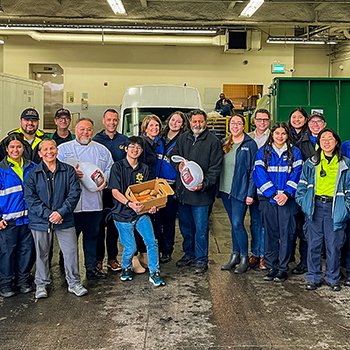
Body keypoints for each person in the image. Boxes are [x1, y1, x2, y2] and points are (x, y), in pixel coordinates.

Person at [24, 140, 87, 298]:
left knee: (71, 251)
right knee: (42, 253)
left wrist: (60, 213)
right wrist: (48, 214)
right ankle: (41, 285)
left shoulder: (68, 171)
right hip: (40, 220)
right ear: (39, 153)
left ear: (57, 150)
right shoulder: (33, 174)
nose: (49, 151)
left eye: (52, 148)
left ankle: (74, 283)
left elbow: (74, 194)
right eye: (45, 149)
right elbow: (31, 199)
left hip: (64, 219)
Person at [57, 118, 113, 280]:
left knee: (92, 238)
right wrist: (70, 173)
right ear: (75, 130)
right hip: (70, 206)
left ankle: (91, 268)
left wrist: (105, 179)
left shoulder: (102, 150)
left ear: (93, 131)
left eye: (88, 130)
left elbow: (110, 169)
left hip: (94, 203)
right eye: (81, 129)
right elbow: (54, 171)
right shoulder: (62, 149)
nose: (85, 133)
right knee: (69, 240)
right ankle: (65, 267)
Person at [296, 129, 350, 292]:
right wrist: (304, 203)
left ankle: (333, 278)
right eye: (323, 139)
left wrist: (346, 208)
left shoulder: (345, 163)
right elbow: (302, 186)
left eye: (330, 138)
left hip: (336, 208)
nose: (326, 142)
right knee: (313, 244)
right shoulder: (311, 162)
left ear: (336, 142)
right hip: (315, 207)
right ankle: (313, 277)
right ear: (318, 143)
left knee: (334, 245)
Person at [108, 136, 166, 287]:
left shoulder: (144, 169)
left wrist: (153, 206)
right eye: (132, 147)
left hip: (141, 213)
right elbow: (115, 192)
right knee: (131, 247)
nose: (135, 150)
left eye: (138, 148)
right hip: (122, 214)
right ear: (126, 149)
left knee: (152, 242)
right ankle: (126, 268)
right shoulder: (118, 167)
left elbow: (149, 192)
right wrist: (129, 203)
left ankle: (155, 272)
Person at [171, 109, 223, 274]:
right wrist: (177, 165)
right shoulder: (183, 137)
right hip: (184, 194)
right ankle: (189, 254)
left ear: (205, 122)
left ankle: (201, 259)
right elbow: (173, 155)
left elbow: (216, 168)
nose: (197, 125)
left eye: (200, 121)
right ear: (190, 122)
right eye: (194, 121)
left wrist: (204, 184)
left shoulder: (213, 141)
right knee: (186, 227)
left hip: (202, 195)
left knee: (201, 228)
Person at [253, 122, 303, 282]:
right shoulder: (263, 152)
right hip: (269, 199)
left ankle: (282, 268)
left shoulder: (295, 152)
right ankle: (271, 266)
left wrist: (287, 194)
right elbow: (259, 175)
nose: (280, 136)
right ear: (272, 135)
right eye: (277, 133)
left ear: (288, 135)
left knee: (286, 234)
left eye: (283, 133)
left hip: (287, 200)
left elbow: (298, 174)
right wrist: (273, 194)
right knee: (270, 233)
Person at [220, 115, 257, 274]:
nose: (235, 125)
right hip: (225, 190)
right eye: (233, 123)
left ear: (244, 126)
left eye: (239, 123)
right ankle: (235, 256)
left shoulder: (250, 144)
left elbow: (253, 171)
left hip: (240, 191)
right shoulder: (224, 143)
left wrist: (250, 193)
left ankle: (244, 258)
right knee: (233, 224)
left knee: (237, 224)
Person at [0, 135, 37, 298]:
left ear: (23, 149)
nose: (16, 150)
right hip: (8, 220)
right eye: (12, 147)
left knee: (26, 251)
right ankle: (6, 284)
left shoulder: (32, 167)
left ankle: (23, 282)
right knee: (7, 253)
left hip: (28, 219)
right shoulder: (1, 169)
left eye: (19, 147)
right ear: (7, 149)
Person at [291, 112, 327, 275]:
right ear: (308, 124)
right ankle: (305, 263)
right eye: (313, 122)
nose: (315, 125)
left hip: (325, 193)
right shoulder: (300, 143)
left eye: (318, 122)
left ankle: (326, 263)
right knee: (305, 229)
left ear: (324, 124)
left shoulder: (329, 141)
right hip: (306, 192)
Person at [93, 109, 127, 272]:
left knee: (114, 226)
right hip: (100, 191)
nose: (112, 122)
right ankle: (98, 259)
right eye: (109, 120)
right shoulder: (96, 140)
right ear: (103, 121)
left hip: (118, 191)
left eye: (115, 120)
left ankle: (112, 259)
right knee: (99, 227)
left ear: (118, 121)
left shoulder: (124, 140)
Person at [155, 111, 188, 263]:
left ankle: (167, 250)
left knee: (168, 220)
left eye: (179, 121)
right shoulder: (159, 137)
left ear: (183, 125)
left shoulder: (183, 140)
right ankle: (156, 248)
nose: (174, 123)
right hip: (155, 185)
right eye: (173, 119)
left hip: (172, 186)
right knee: (156, 219)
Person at [247, 108, 271, 270]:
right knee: (254, 221)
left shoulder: (275, 136)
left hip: (268, 186)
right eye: (259, 119)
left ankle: (264, 255)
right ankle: (255, 252)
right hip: (250, 185)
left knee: (266, 223)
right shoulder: (247, 137)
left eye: (265, 119)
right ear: (254, 121)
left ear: (269, 121)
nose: (262, 122)